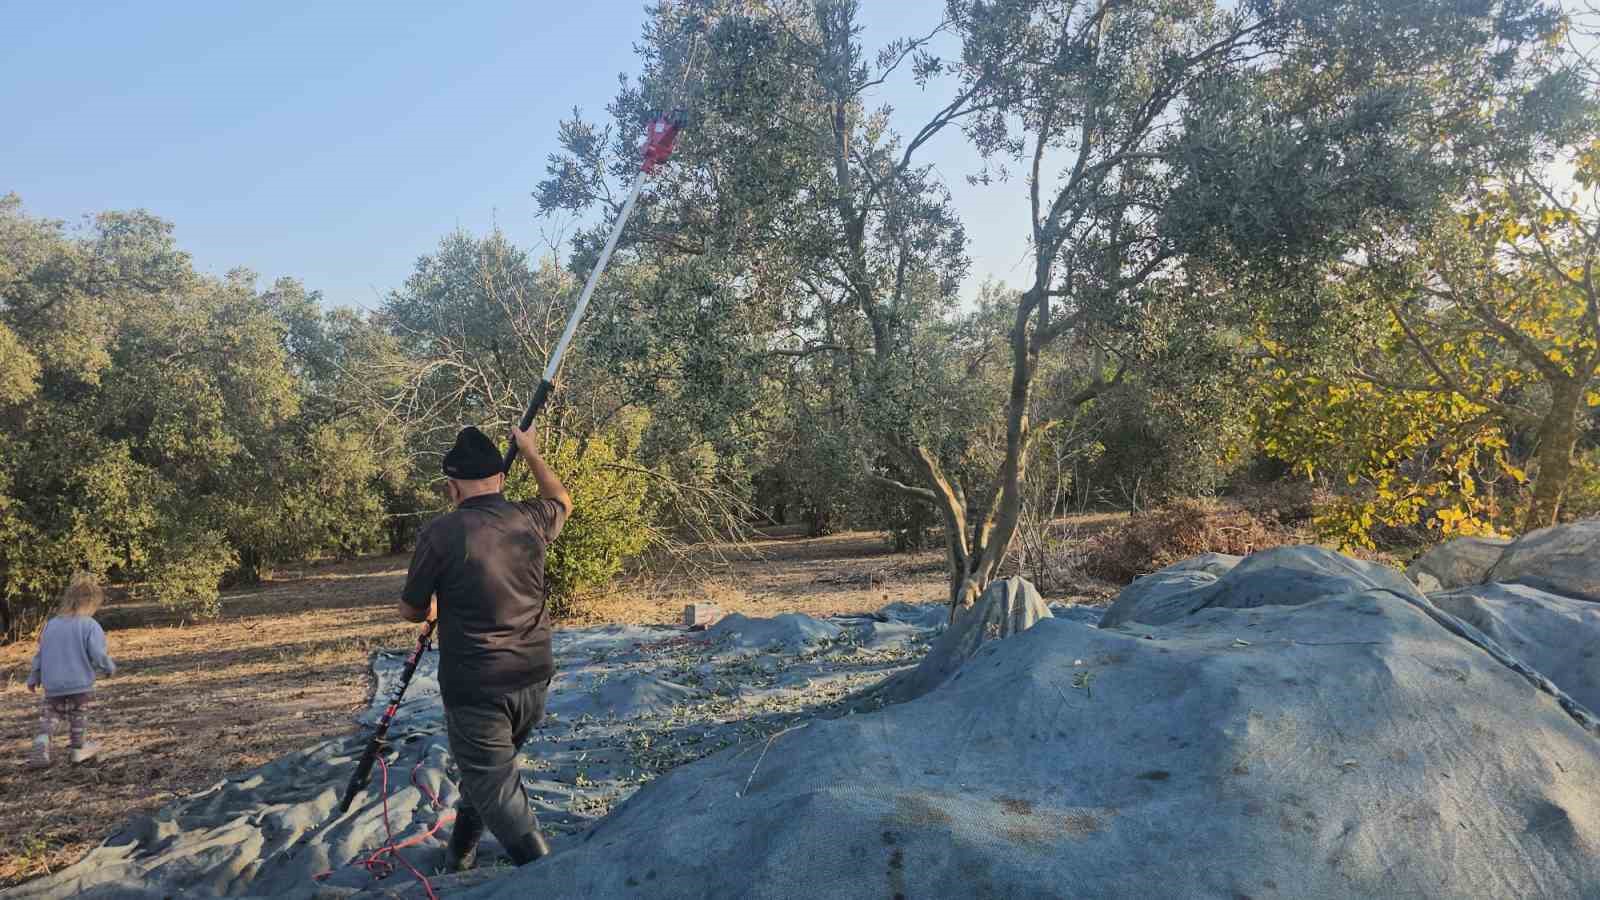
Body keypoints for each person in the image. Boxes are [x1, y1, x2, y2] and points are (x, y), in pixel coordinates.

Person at [400, 424, 571, 870]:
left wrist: (434, 606)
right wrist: (531, 452)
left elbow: (411, 611)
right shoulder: (529, 519)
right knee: (490, 774)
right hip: (533, 676)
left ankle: (551, 877)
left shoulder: (440, 534)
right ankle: (460, 854)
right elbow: (563, 501)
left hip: (477, 686)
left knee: (496, 788)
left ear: (452, 487)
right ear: (500, 478)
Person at [27, 571, 117, 767]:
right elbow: (97, 653)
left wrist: (34, 676)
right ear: (92, 603)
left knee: (51, 714)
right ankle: (78, 748)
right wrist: (108, 667)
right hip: (79, 683)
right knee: (78, 715)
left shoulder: (51, 625)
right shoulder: (90, 625)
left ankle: (43, 739)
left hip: (53, 683)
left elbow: (40, 654)